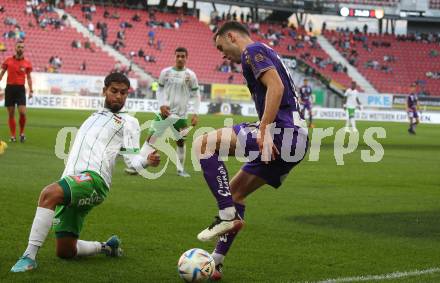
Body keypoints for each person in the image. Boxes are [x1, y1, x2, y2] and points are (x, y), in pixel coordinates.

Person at [10, 73, 160, 272]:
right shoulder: (94, 116)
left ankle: (29, 256)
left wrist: (148, 160)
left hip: (94, 181)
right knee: (65, 251)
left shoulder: (129, 122)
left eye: (123, 93)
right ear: (104, 91)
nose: (118, 96)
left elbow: (133, 163)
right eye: (114, 91)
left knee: (49, 194)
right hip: (73, 180)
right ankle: (107, 247)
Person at [194, 21, 309, 280]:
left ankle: (225, 216)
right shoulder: (264, 51)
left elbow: (276, 87)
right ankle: (216, 261)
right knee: (235, 193)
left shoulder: (252, 51)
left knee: (204, 143)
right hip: (298, 141)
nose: (223, 55)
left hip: (282, 132)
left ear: (232, 37)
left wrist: (265, 129)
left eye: (221, 47)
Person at [125, 47, 200, 177]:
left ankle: (180, 169)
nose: (180, 58)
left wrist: (195, 113)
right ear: (174, 57)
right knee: (152, 138)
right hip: (165, 113)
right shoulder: (165, 72)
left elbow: (196, 94)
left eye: (183, 56)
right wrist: (161, 105)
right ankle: (136, 166)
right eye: (178, 56)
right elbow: (159, 90)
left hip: (181, 116)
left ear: (186, 58)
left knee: (180, 142)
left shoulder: (190, 75)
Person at [0, 41, 33, 142]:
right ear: (15, 48)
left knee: (22, 112)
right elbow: (1, 73)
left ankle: (22, 133)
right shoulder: (8, 61)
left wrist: (31, 90)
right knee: (11, 114)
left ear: (24, 49)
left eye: (22, 47)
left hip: (20, 90)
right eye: (19, 47)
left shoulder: (27, 63)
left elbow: (29, 78)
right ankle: (13, 136)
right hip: (9, 88)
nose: (20, 49)